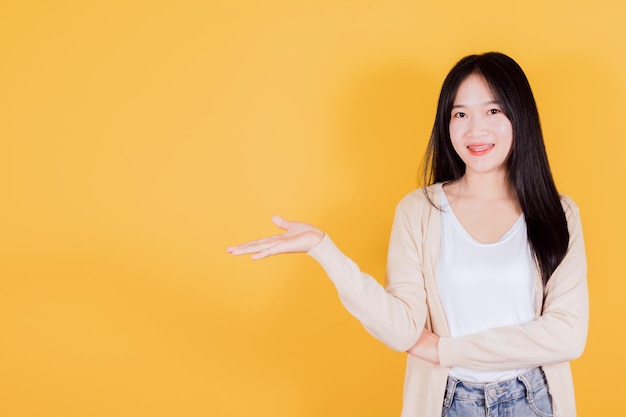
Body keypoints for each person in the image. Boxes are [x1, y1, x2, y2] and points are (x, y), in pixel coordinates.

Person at [227, 52, 588, 417]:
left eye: (493, 111)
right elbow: (402, 330)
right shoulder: (419, 211)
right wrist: (323, 249)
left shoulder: (558, 213)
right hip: (447, 402)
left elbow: (567, 335)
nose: (475, 129)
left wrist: (444, 350)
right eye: (460, 113)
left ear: (519, 116)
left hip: (534, 401)